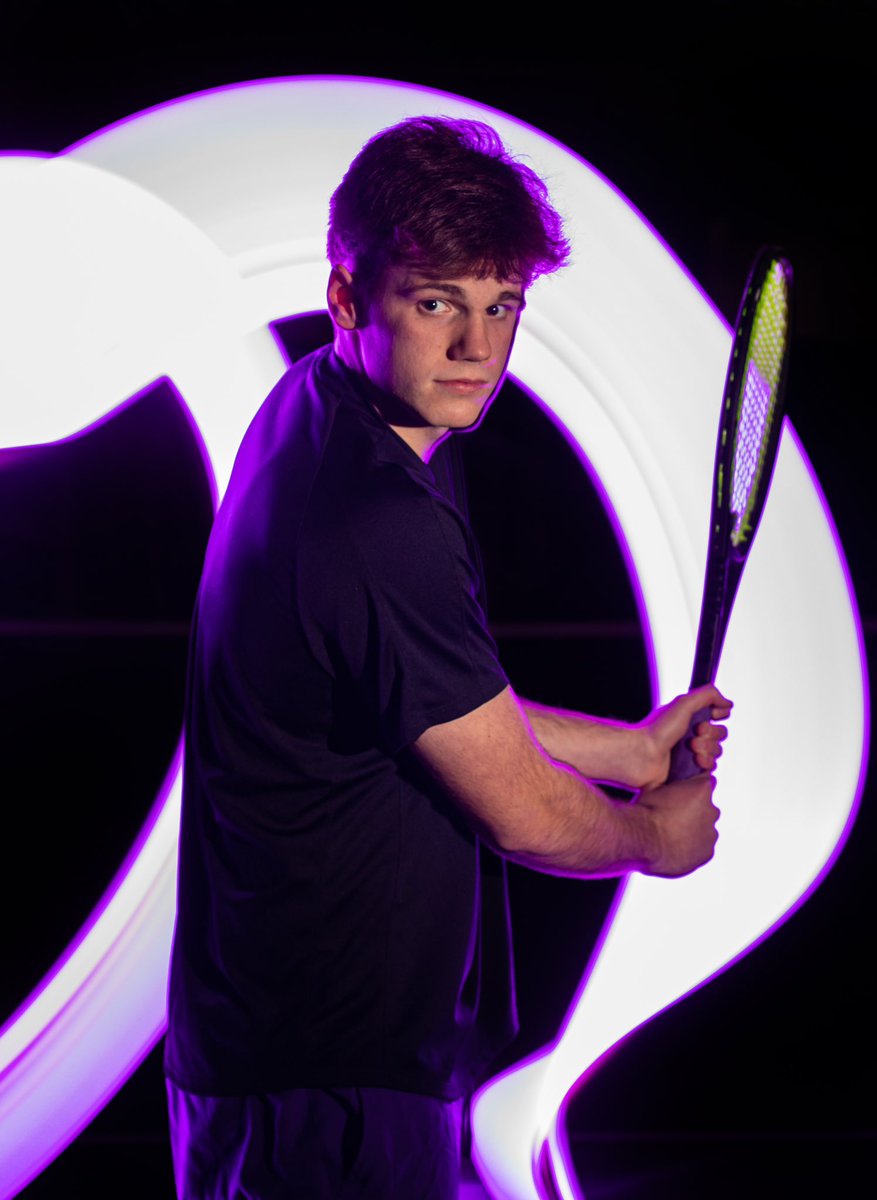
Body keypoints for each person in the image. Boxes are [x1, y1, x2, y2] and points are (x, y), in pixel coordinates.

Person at [164, 116, 731, 1200]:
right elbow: (521, 813)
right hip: (324, 1096)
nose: (480, 349)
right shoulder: (374, 518)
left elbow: (433, 702)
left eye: (501, 305)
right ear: (348, 298)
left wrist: (633, 748)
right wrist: (654, 837)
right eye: (437, 304)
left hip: (286, 1068)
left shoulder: (328, 415)